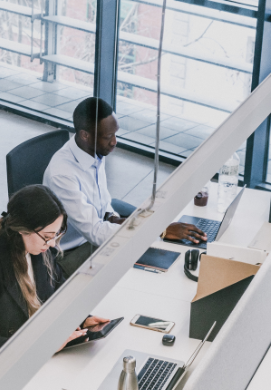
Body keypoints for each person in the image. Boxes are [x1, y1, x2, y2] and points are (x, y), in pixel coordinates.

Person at [0, 185, 109, 379]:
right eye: (48, 237)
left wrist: (82, 319)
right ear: (22, 229)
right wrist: (44, 347)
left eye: (56, 235)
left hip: (32, 346)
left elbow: (60, 288)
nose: (52, 243)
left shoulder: (38, 249)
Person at [43, 97, 207, 277]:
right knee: (142, 249)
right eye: (108, 137)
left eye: (115, 134)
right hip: (71, 251)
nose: (114, 142)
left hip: (96, 224)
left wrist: (116, 219)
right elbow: (96, 233)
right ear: (85, 135)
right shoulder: (63, 175)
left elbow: (103, 202)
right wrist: (157, 229)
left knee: (146, 219)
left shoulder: (93, 150)